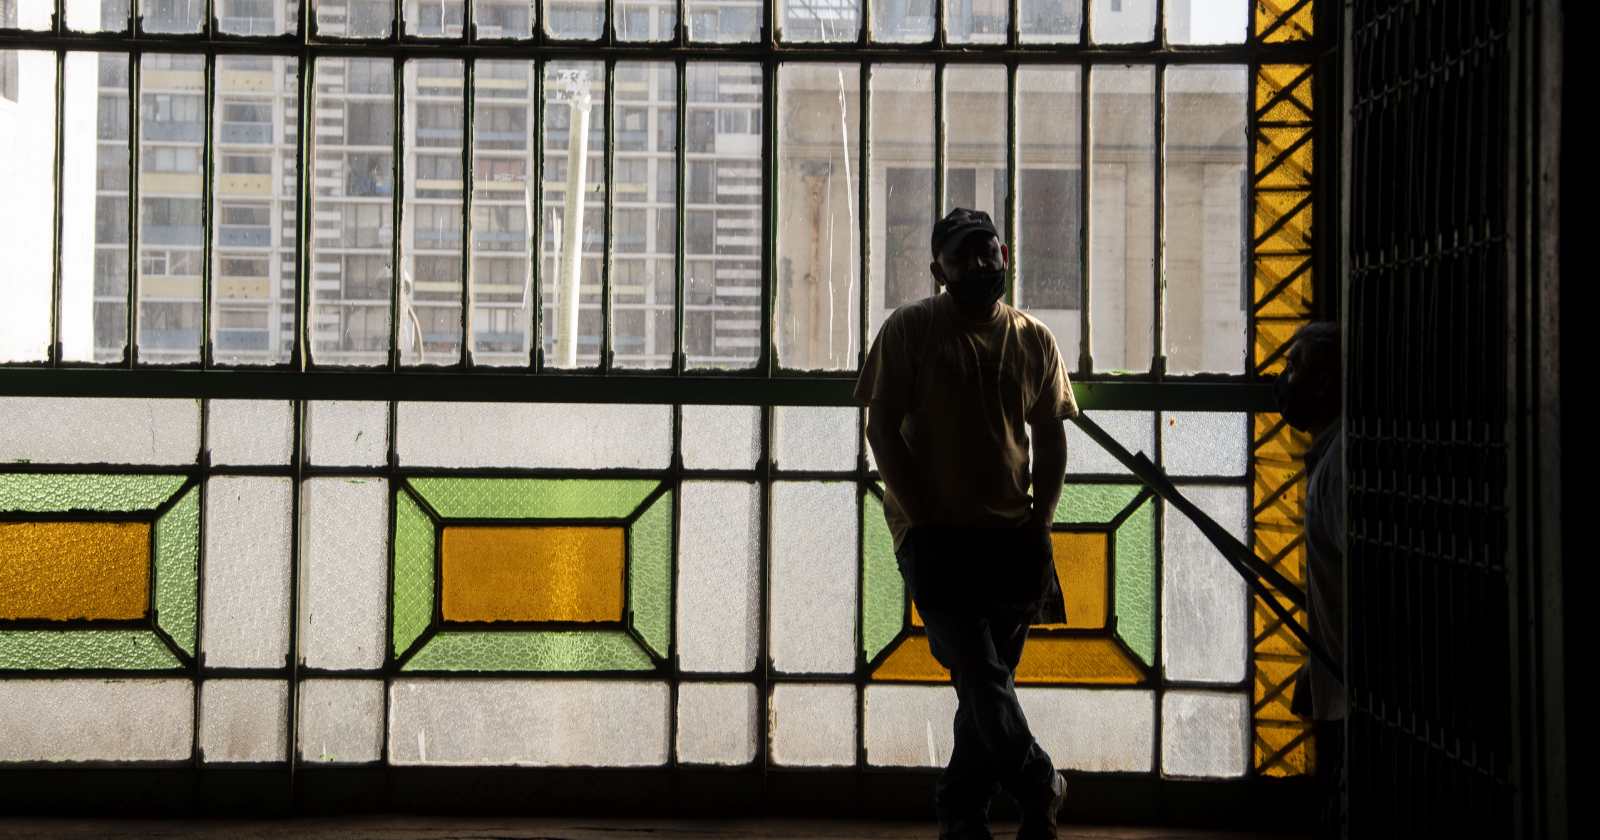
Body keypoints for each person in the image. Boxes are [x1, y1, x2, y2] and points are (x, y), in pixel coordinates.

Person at [856, 208, 1077, 840]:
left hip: (1011, 536)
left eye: (989, 250)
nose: (981, 262)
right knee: (982, 674)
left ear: (1006, 253)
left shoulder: (1033, 338)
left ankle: (962, 810)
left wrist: (1040, 524)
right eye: (963, 255)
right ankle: (1039, 782)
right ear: (938, 270)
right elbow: (880, 429)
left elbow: (1050, 437)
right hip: (934, 537)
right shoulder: (911, 329)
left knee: (983, 683)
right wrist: (923, 520)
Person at [1278, 321, 1345, 837]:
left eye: (1294, 365)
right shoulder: (1334, 457)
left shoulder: (1340, 469)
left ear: (1324, 383)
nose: (1284, 378)